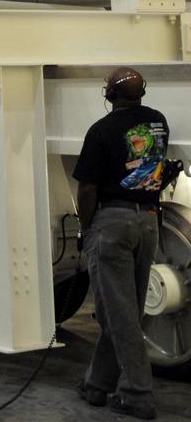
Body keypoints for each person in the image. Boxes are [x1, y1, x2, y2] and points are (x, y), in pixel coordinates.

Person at [73, 67, 169, 420]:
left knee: (120, 316)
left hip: (112, 223)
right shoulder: (158, 122)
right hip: (148, 222)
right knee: (125, 310)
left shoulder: (101, 131)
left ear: (108, 95)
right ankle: (97, 384)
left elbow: (87, 188)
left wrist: (86, 229)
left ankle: (137, 394)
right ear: (141, 92)